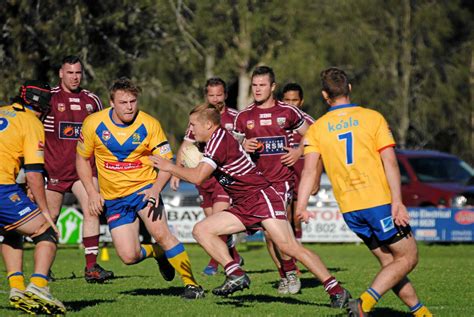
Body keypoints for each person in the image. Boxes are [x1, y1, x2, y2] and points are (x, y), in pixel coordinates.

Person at [149, 103, 351, 309]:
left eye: (193, 125)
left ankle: (337, 290)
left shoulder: (218, 140)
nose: (190, 129)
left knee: (289, 247)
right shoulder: (211, 141)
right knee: (201, 230)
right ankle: (235, 273)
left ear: (208, 124)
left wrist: (169, 167)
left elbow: (199, 177)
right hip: (243, 204)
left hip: (261, 198)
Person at [295, 67, 432, 317]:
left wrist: (301, 206)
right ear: (349, 88)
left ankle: (421, 313)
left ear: (325, 95)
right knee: (408, 257)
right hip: (377, 201)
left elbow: (308, 171)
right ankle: (363, 304)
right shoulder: (372, 118)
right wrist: (398, 202)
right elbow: (390, 162)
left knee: (390, 264)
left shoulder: (317, 128)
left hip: (350, 208)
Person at [76, 77, 204, 299]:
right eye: (123, 102)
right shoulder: (93, 123)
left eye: (133, 101)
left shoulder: (149, 124)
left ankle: (192, 285)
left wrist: (155, 190)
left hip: (143, 190)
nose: (129, 107)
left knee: (161, 233)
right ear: (112, 102)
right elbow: (81, 159)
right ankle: (159, 253)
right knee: (129, 256)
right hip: (114, 198)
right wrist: (92, 192)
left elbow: (166, 163)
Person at [233, 66, 306, 294]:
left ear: (272, 87)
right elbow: (232, 147)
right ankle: (284, 273)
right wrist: (243, 145)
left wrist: (297, 151)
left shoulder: (288, 112)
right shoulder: (244, 116)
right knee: (268, 232)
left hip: (281, 181)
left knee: (277, 229)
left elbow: (313, 134)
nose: (257, 89)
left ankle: (291, 272)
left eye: (262, 85)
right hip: (256, 183)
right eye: (254, 85)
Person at [43, 55, 113, 282]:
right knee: (50, 217)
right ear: (61, 73)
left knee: (93, 208)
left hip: (83, 170)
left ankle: (91, 267)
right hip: (53, 170)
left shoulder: (92, 100)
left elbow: (102, 134)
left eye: (78, 73)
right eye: (70, 72)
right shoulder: (49, 98)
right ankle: (44, 268)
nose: (75, 77)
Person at [0, 80, 66, 314]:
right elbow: (35, 172)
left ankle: (17, 287)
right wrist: (45, 210)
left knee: (11, 231)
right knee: (45, 231)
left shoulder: (2, 112)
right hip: (2, 189)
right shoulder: (32, 123)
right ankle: (38, 285)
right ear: (45, 107)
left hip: (7, 188)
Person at [172, 77, 243, 276]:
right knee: (210, 219)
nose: (215, 99)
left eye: (219, 94)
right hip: (203, 179)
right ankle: (234, 256)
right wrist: (176, 172)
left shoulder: (236, 118)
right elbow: (186, 146)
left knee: (215, 223)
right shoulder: (198, 120)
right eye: (211, 95)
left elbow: (246, 144)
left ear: (226, 95)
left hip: (223, 178)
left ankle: (215, 262)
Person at [281, 83, 315, 242]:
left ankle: (298, 248)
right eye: (287, 100)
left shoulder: (309, 123)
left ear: (301, 101)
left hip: (302, 176)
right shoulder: (278, 121)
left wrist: (316, 179)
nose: (290, 104)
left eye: (294, 100)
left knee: (297, 217)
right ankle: (290, 258)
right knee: (284, 215)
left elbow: (318, 152)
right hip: (282, 176)